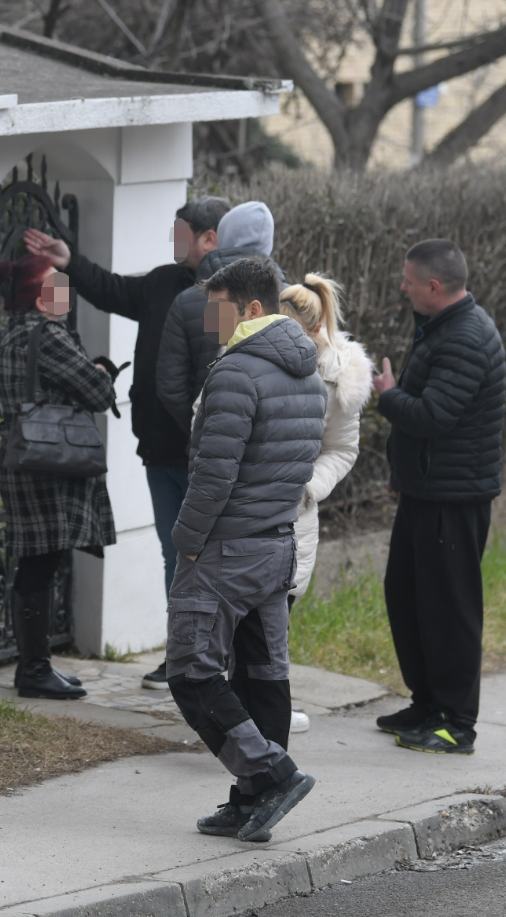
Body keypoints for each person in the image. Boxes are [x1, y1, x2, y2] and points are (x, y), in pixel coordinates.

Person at [23, 195, 231, 691]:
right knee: (176, 555)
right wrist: (68, 259)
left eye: (181, 234)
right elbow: (113, 291)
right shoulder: (163, 282)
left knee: (218, 557)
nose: (173, 242)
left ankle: (217, 657)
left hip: (208, 453)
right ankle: (183, 655)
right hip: (160, 450)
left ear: (210, 239)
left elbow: (221, 370)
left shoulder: (231, 295)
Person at [166, 256, 325, 843]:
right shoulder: (306, 370)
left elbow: (214, 476)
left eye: (218, 307)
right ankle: (251, 799)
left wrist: (186, 544)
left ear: (252, 309)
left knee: (190, 672)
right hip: (275, 545)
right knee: (263, 675)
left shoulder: (237, 372)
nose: (211, 319)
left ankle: (273, 775)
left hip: (226, 551)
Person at [370, 239, 505, 756]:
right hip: (426, 491)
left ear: (433, 286)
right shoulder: (440, 328)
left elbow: (432, 417)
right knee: (407, 596)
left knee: (450, 609)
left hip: (455, 498)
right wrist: (401, 471)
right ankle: (426, 703)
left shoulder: (466, 337)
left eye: (407, 280)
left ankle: (457, 722)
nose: (401, 287)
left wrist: (386, 395)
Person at [0, 255, 119, 700]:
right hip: (49, 463)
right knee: (40, 563)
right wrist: (101, 372)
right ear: (36, 296)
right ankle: (34, 670)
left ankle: (36, 666)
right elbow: (99, 393)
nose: (64, 293)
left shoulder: (13, 333)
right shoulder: (49, 337)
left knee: (37, 559)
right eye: (54, 286)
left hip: (26, 457)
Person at [278, 274, 372, 735]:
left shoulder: (341, 379)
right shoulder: (251, 356)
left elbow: (343, 450)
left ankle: (269, 706)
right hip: (246, 506)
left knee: (278, 614)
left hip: (295, 513)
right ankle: (236, 706)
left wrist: (307, 485)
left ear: (314, 331)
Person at [157, 200, 286, 437]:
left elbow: (170, 385)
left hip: (206, 448)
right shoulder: (290, 299)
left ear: (222, 237)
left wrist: (202, 427)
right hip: (274, 453)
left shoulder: (187, 300)